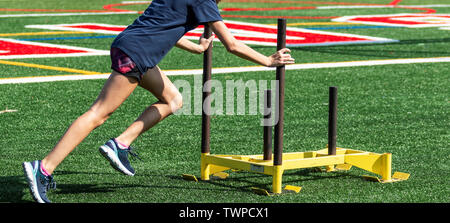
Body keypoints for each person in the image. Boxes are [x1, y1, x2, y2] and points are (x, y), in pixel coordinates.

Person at [22, 0, 295, 203]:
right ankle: (43, 168)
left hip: (130, 45)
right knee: (98, 113)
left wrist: (195, 47)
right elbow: (232, 45)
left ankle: (120, 144)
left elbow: (163, 26)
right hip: (137, 53)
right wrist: (268, 60)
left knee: (173, 100)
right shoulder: (205, 1)